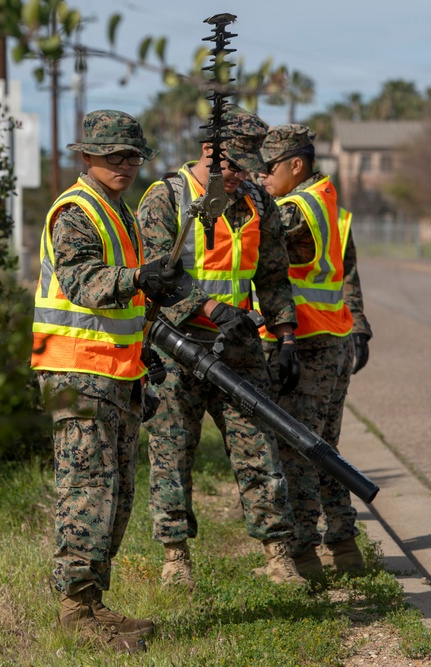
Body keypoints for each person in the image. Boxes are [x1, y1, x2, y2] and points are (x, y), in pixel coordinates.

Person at [31, 110, 187, 653]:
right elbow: (82, 282)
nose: (124, 164)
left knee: (115, 497)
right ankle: (75, 611)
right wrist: (139, 276)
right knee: (87, 493)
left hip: (116, 372)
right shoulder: (76, 211)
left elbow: (125, 301)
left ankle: (93, 603)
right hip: (78, 373)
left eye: (132, 156)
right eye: (113, 155)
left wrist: (147, 347)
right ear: (87, 156)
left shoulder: (117, 211)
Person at [136, 105, 308, 589]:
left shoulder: (256, 200)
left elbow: (273, 276)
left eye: (247, 167)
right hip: (178, 347)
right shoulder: (166, 199)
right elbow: (156, 276)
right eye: (230, 166)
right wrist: (207, 308)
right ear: (208, 151)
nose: (237, 177)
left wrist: (286, 336)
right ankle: (175, 560)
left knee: (259, 447)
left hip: (238, 348)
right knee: (172, 453)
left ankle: (278, 554)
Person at [258, 124, 374, 575]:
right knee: (325, 449)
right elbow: (345, 274)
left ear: (296, 165)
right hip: (332, 339)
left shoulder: (296, 208)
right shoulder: (329, 204)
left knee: (299, 451)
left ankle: (304, 555)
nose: (264, 177)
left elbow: (255, 234)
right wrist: (358, 326)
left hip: (305, 345)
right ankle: (344, 545)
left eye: (269, 169)